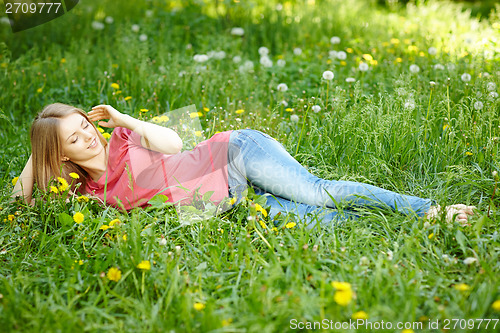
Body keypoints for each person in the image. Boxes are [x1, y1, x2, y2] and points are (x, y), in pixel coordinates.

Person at [11, 103, 475, 228]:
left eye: (85, 126)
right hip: (233, 202)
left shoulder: (123, 138)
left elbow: (175, 143)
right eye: (75, 139)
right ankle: (410, 225)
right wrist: (43, 143)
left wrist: (122, 118)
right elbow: (20, 196)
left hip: (235, 152)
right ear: (63, 155)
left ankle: (430, 211)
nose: (88, 137)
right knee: (324, 223)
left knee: (317, 192)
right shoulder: (85, 191)